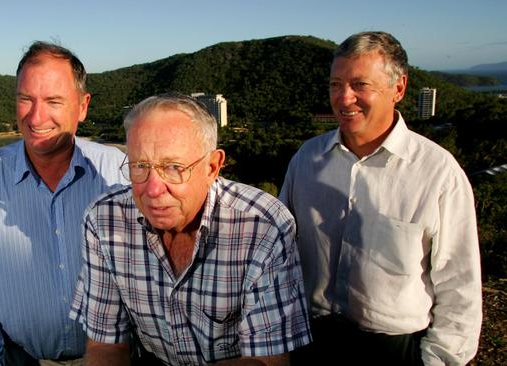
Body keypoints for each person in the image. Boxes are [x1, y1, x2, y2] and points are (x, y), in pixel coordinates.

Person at [279, 31, 482, 366]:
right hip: (312, 341)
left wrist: (438, 361)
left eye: (360, 84)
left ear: (398, 89)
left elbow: (459, 283)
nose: (344, 98)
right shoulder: (307, 159)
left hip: (393, 350)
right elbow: (281, 251)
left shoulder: (437, 172)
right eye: (335, 84)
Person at [70, 93, 311, 365]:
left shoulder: (262, 227)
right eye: (140, 166)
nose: (152, 188)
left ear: (212, 167)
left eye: (173, 167)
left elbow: (268, 362)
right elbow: (106, 346)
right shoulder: (104, 220)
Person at [0, 41, 128, 365]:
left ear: (82, 106)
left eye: (53, 101)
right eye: (26, 99)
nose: (36, 116)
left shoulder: (118, 171)